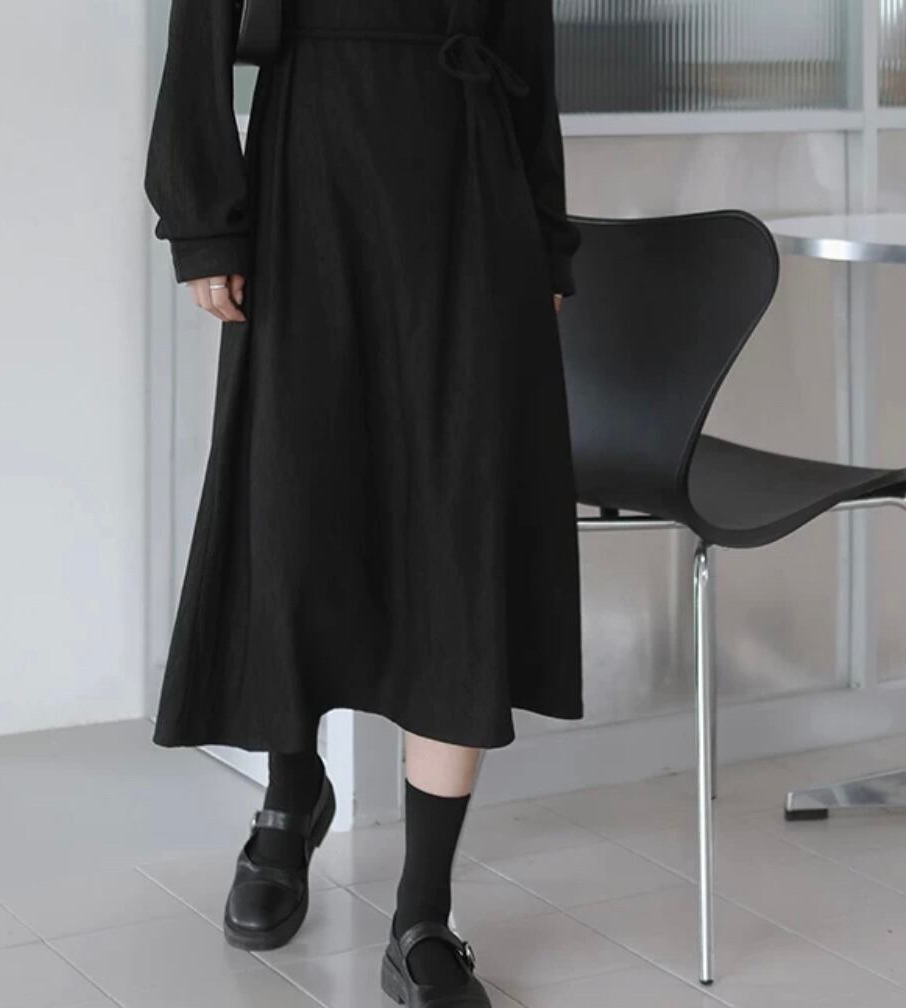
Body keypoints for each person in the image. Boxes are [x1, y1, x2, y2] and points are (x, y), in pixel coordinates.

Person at [144, 0, 583, 1003]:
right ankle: (292, 790)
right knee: (295, 506)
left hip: (473, 191)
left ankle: (424, 909)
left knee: (459, 526)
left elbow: (526, 36)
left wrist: (545, 236)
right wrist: (206, 217)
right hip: (310, 171)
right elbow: (200, 22)